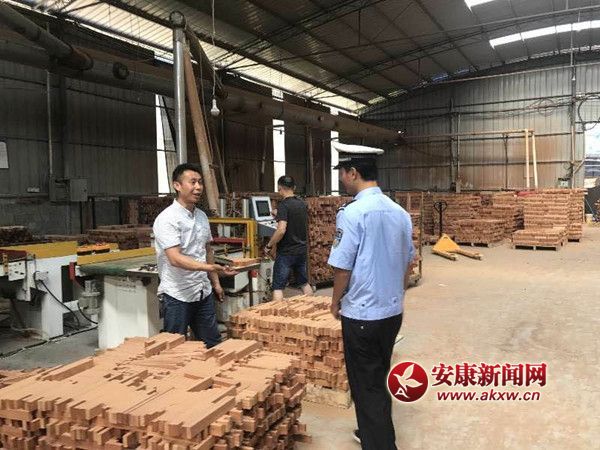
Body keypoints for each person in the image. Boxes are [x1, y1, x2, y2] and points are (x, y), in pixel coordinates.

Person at [327, 146, 414, 450]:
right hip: (392, 312)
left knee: (366, 385)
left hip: (362, 315)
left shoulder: (352, 213)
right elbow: (408, 263)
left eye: (342, 173)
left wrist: (335, 302)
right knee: (378, 377)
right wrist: (396, 294)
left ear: (353, 173)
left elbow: (342, 268)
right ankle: (371, 432)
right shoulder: (400, 213)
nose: (341, 179)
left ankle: (380, 444)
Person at [153, 163, 237, 348]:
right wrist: (210, 268)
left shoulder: (201, 217)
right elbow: (175, 258)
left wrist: (215, 283)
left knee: (212, 345)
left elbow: (207, 250)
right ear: (177, 185)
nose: (198, 187)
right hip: (177, 295)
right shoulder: (166, 219)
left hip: (202, 291)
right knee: (175, 348)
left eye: (200, 182)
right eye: (192, 182)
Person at [264, 175, 313, 301]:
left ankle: (277, 312)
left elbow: (281, 230)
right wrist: (279, 214)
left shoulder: (283, 205)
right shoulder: (302, 204)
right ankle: (313, 306)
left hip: (286, 252)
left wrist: (269, 245)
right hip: (301, 250)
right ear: (294, 188)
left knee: (278, 287)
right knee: (304, 283)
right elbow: (295, 219)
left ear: (279, 189)